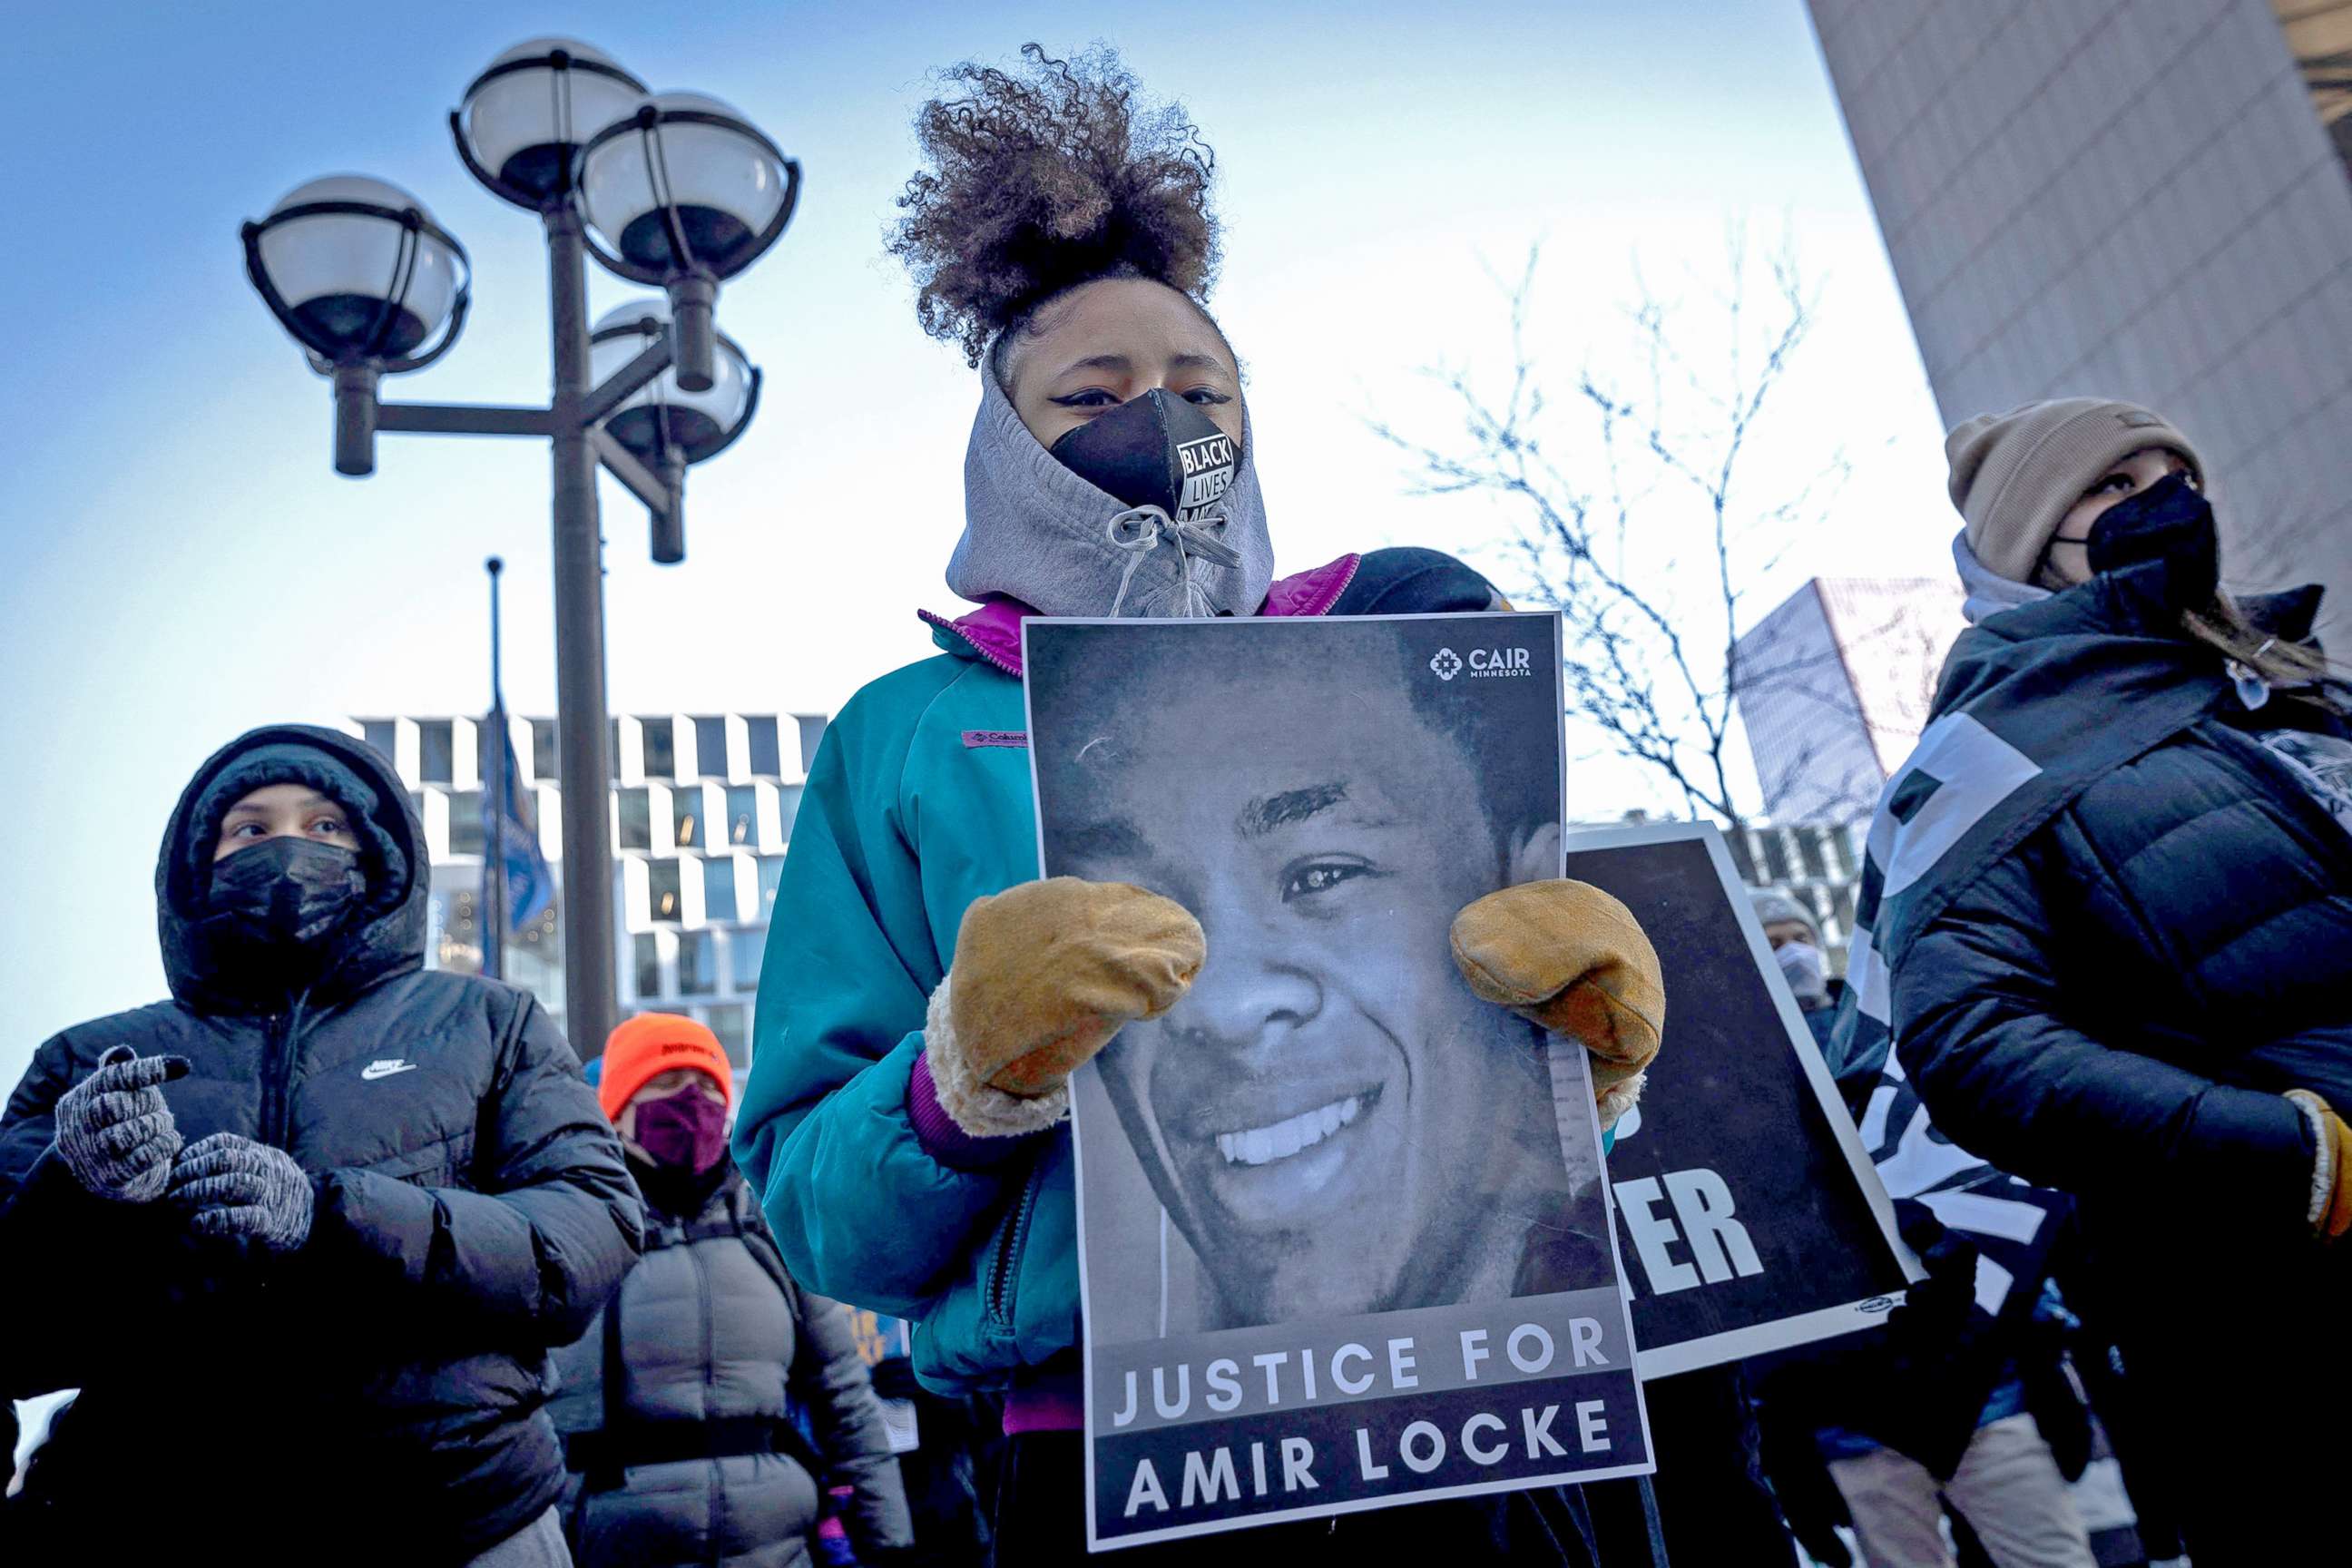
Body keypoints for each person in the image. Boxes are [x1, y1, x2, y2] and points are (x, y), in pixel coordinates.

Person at [732, 45, 1666, 1565]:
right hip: (1108, 1446)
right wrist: (955, 1080)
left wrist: (1592, 1073)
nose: (1154, 420)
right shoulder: (903, 736)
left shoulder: (1393, 671)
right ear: (1002, 438)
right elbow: (818, 1219)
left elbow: (1472, 1111)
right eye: (1090, 395)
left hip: (1471, 1411)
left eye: (1196, 388)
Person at [1853, 397, 2352, 1565]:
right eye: (2112, 489)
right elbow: (1972, 1039)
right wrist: (2300, 1159)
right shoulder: (1990, 754)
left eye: (2175, 472)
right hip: (2277, 1304)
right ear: (2030, 546)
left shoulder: (2286, 685)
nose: (2164, 504)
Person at [0, 725, 643, 1564]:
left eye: (325, 825)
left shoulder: (489, 1023)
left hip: (459, 1522)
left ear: (376, 852)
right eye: (252, 828)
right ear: (199, 864)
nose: (290, 848)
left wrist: (335, 1215)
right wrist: (74, 1189)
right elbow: (15, 1340)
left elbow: (588, 1233)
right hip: (150, 1517)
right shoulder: (84, 1060)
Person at [1031, 614, 1621, 1330]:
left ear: (1520, 887)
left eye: (1322, 875)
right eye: (1138, 912)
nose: (1219, 1004)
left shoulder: (1668, 1340)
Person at [548, 1014, 912, 1567]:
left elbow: (844, 1399)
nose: (692, 1100)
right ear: (615, 1111)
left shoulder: (766, 1228)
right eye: (668, 1083)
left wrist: (891, 1547)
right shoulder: (572, 1230)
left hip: (775, 1546)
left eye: (707, 1086)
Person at [1749, 887, 1840, 1053]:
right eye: (1774, 944)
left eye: (1801, 939)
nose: (1794, 951)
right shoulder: (1746, 1034)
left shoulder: (1854, 1012)